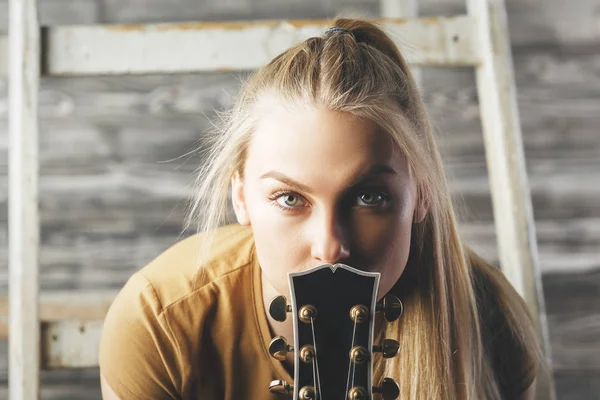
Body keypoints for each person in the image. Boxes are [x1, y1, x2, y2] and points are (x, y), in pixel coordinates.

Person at [99, 18, 542, 400]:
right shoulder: (159, 322)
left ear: (422, 194)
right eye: (290, 199)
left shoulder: (490, 319)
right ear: (240, 196)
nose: (330, 248)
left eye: (369, 197)